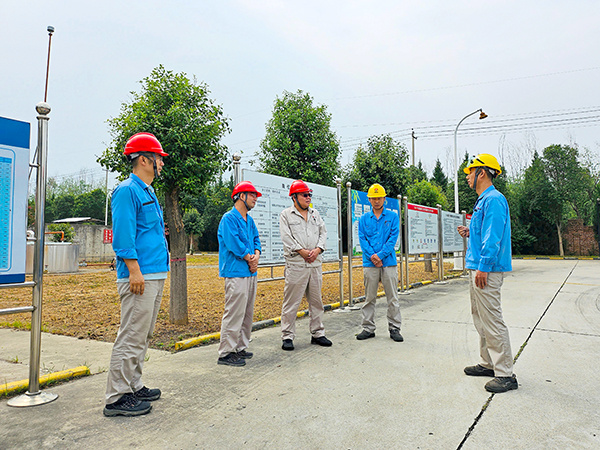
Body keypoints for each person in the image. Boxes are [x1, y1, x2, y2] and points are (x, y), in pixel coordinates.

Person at [104, 132, 170, 417]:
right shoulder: (127, 190)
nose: (162, 164)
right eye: (158, 159)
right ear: (144, 159)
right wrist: (133, 270)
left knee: (143, 334)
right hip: (139, 274)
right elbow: (123, 236)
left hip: (155, 271)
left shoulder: (148, 191)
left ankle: (134, 384)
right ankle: (116, 397)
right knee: (131, 334)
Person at [457, 153, 517, 393]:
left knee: (492, 320)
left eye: (470, 172)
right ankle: (488, 363)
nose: (468, 178)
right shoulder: (484, 200)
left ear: (482, 172)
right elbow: (485, 232)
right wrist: (470, 231)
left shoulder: (493, 199)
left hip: (486, 270)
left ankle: (505, 374)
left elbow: (494, 236)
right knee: (480, 319)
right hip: (478, 266)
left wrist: (484, 265)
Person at [279, 180, 332, 351]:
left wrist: (317, 249)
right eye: (304, 195)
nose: (308, 197)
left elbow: (323, 233)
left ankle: (317, 333)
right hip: (296, 264)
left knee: (316, 301)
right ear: (294, 197)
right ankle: (287, 336)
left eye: (310, 194)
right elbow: (286, 237)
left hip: (315, 264)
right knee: (291, 302)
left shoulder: (316, 214)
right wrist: (301, 251)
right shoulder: (286, 215)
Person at [216, 181, 262, 367]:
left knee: (247, 312)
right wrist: (250, 258)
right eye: (252, 194)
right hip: (236, 271)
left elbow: (256, 239)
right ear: (241, 196)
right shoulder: (228, 218)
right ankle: (226, 352)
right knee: (234, 312)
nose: (255, 198)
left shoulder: (249, 221)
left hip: (250, 272)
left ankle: (240, 347)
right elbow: (233, 243)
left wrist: (256, 255)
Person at [356, 183, 403, 342]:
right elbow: (362, 239)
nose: (377, 201)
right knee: (369, 297)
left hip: (388, 262)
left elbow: (393, 239)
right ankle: (368, 328)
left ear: (385, 199)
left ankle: (394, 328)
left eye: (379, 198)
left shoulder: (393, 217)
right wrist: (372, 256)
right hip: (370, 263)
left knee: (392, 297)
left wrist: (380, 256)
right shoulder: (363, 219)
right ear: (369, 199)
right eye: (374, 198)